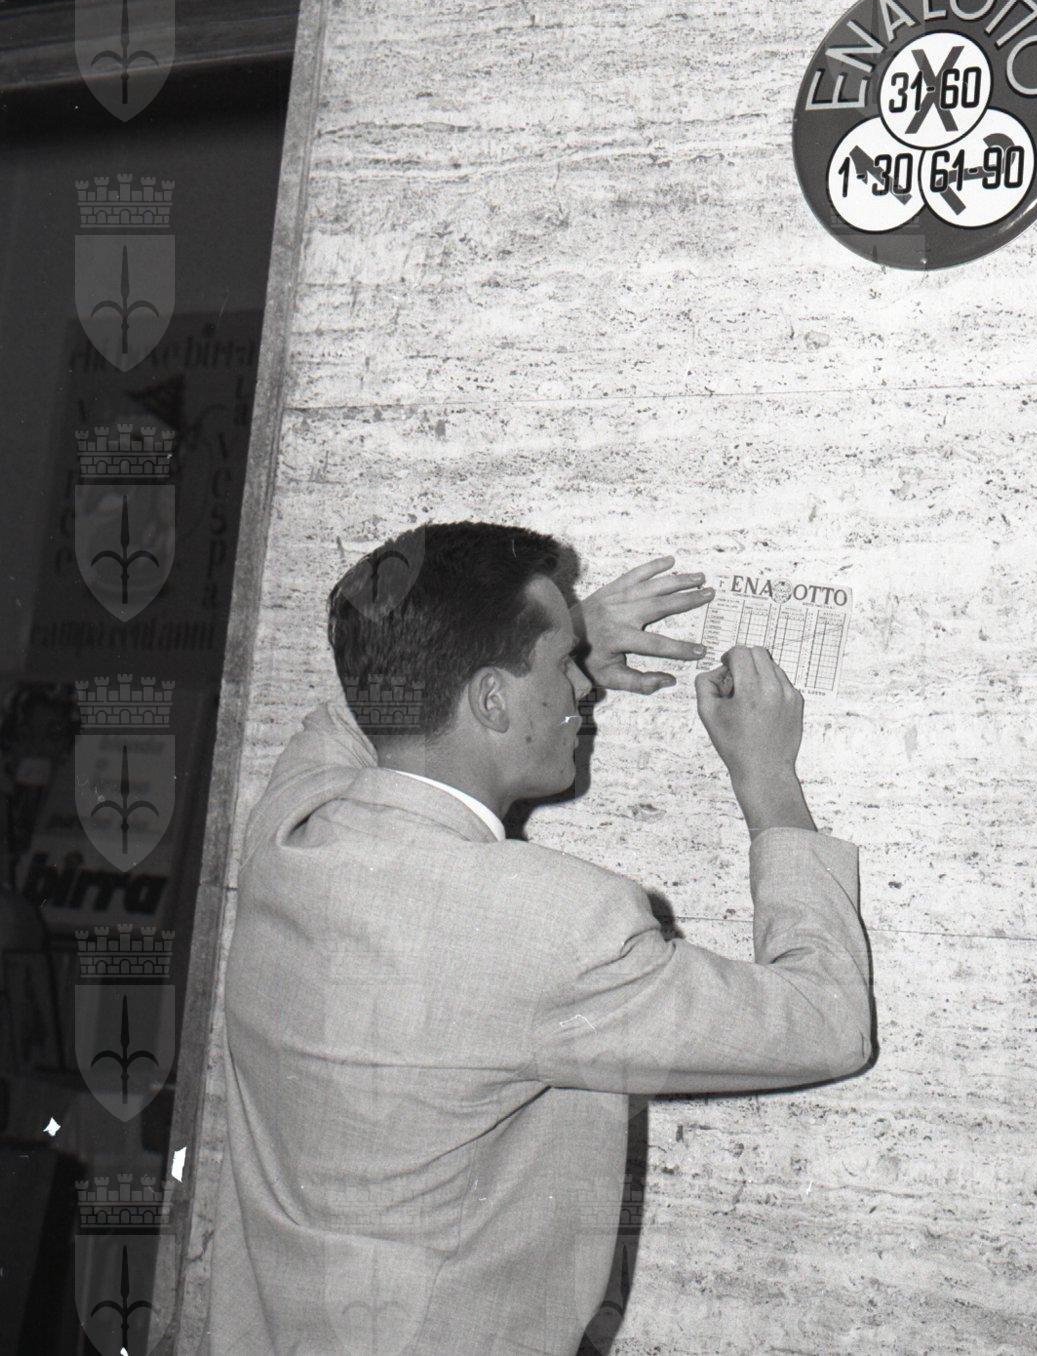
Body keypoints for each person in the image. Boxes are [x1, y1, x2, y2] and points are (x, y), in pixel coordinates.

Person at [206, 521, 872, 1356]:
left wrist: (547, 640)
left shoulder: (287, 830)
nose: (583, 689)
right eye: (565, 666)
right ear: (491, 700)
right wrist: (767, 777)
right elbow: (827, 1022)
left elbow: (359, 701)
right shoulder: (557, 929)